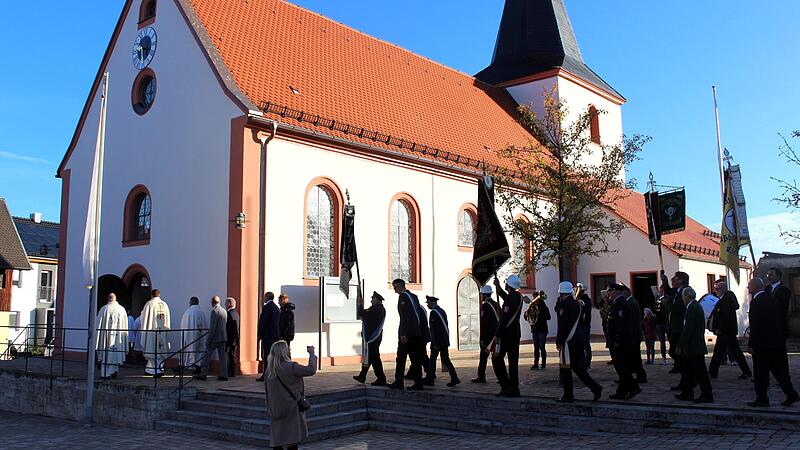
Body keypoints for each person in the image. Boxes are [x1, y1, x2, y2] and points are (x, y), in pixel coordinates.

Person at [748, 274, 800, 407]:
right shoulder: (770, 298)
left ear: (754, 287)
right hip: (775, 342)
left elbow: (756, 324)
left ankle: (762, 399)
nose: (748, 286)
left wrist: (751, 344)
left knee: (760, 373)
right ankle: (791, 394)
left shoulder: (756, 301)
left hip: (762, 344)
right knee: (780, 372)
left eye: (750, 284)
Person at [555, 281, 602, 403]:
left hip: (568, 341)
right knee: (578, 368)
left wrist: (559, 340)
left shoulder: (564, 305)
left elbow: (562, 325)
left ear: (561, 292)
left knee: (565, 368)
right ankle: (595, 388)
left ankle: (568, 395)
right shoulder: (578, 303)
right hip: (579, 339)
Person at [265, 342, 317, 450]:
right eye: (288, 349)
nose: (289, 351)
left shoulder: (269, 371)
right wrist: (312, 354)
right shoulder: (291, 367)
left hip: (276, 410)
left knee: (278, 442)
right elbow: (311, 369)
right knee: (292, 442)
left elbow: (267, 393)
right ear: (284, 352)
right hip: (291, 409)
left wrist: (270, 408)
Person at [675, 288, 713, 403]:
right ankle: (687, 392)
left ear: (687, 296)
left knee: (700, 372)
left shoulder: (692, 308)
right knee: (688, 371)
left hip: (694, 346)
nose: (682, 299)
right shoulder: (695, 307)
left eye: (683, 296)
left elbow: (688, 329)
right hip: (693, 346)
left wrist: (680, 344)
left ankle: (706, 394)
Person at [388, 279, 427, 391]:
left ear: (400, 286)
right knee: (416, 360)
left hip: (408, 334)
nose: (395, 290)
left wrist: (403, 334)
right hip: (416, 333)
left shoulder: (403, 297)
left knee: (401, 359)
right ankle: (418, 383)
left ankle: (399, 382)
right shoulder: (413, 296)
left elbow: (406, 316)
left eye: (395, 287)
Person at [707, 280, 751, 379]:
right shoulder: (724, 299)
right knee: (731, 352)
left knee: (721, 353)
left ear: (723, 289)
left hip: (725, 332)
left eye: (717, 289)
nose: (716, 290)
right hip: (727, 332)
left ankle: (712, 372)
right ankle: (713, 372)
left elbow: (725, 317)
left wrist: (719, 328)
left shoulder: (726, 300)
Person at [491, 275, 523, 397]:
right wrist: (498, 287)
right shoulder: (518, 296)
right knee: (513, 362)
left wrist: (497, 335)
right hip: (515, 333)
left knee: (497, 359)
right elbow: (506, 297)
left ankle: (506, 386)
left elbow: (504, 319)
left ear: (509, 285)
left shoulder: (511, 299)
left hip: (506, 334)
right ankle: (514, 387)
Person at [608, 283, 640, 400]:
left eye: (610, 291)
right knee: (621, 368)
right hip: (620, 341)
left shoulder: (621, 303)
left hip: (621, 342)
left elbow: (621, 325)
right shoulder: (617, 303)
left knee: (621, 368)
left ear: (616, 291)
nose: (609, 293)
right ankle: (621, 392)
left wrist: (617, 339)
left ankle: (633, 387)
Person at [424, 296, 460, 387]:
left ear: (432, 303)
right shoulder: (441, 311)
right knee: (445, 359)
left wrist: (435, 343)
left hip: (438, 341)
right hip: (444, 340)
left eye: (428, 303)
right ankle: (454, 377)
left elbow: (435, 330)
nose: (427, 305)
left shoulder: (434, 313)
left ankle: (430, 379)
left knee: (433, 360)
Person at [354, 292, 387, 386]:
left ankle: (381, 378)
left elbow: (362, 313)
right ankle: (362, 376)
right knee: (370, 357)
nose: (371, 300)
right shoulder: (378, 308)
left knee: (374, 358)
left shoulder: (376, 309)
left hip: (373, 337)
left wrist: (360, 304)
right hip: (373, 336)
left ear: (377, 300)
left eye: (373, 298)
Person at [96, 293, 129, 379]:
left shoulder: (104, 309)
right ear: (115, 298)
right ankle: (113, 371)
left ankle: (105, 374)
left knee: (106, 354)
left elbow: (98, 325)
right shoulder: (122, 309)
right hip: (118, 337)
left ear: (108, 299)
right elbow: (125, 325)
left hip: (106, 338)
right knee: (116, 353)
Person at [195, 296, 228, 381]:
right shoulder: (224, 311)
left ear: (212, 302)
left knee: (206, 356)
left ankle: (203, 374)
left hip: (215, 338)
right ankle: (224, 375)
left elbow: (212, 327)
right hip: (223, 337)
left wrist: (208, 339)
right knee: (223, 357)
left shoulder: (214, 311)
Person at [140, 289, 171, 377]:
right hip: (162, 332)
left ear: (151, 295)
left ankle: (157, 371)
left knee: (152, 350)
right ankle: (151, 370)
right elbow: (167, 320)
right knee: (159, 351)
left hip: (152, 332)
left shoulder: (149, 304)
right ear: (159, 295)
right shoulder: (165, 305)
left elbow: (144, 318)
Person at [473, 285, 500, 383]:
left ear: (484, 295)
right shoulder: (496, 304)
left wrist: (482, 339)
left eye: (481, 295)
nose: (481, 296)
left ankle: (481, 377)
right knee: (496, 358)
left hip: (488, 337)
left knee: (483, 358)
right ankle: (501, 377)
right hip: (496, 335)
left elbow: (484, 325)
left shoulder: (485, 306)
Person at [179, 296, 207, 375]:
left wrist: (184, 336)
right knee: (198, 352)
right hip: (200, 336)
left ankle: (185, 366)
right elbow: (204, 324)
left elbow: (184, 325)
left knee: (190, 350)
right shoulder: (202, 312)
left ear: (191, 302)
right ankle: (198, 368)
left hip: (190, 337)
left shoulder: (188, 312)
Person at [257, 292, 281, 382]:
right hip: (275, 335)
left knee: (266, 355)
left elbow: (263, 322)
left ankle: (266, 374)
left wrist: (259, 335)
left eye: (264, 297)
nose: (264, 298)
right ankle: (274, 374)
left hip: (267, 336)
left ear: (267, 297)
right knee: (273, 355)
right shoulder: (276, 308)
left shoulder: (267, 307)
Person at [624, 286, 647, 383]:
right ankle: (638, 375)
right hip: (634, 334)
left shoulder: (631, 302)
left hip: (633, 335)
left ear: (627, 293)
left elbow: (631, 321)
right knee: (635, 357)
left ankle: (641, 375)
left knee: (635, 357)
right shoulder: (631, 301)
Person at [523, 290, 550, 370]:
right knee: (536, 347)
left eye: (535, 298)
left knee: (542, 347)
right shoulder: (532, 307)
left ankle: (543, 364)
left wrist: (540, 312)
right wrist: (526, 313)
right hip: (534, 329)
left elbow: (548, 317)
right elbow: (527, 318)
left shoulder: (544, 307)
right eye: (534, 298)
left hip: (542, 329)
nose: (534, 299)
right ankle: (536, 363)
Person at [575, 283, 593, 370]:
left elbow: (586, 310)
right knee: (579, 345)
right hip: (578, 326)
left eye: (579, 290)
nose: (577, 291)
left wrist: (578, 301)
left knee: (586, 345)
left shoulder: (587, 300)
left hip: (584, 325)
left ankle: (587, 364)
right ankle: (580, 362)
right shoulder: (576, 299)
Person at [653, 287, 668, 365]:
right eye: (660, 291)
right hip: (659, 323)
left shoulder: (667, 299)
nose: (661, 292)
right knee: (662, 342)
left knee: (671, 340)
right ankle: (664, 358)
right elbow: (655, 310)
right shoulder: (658, 300)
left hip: (666, 322)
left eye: (662, 291)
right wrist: (657, 303)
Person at [225, 297, 240, 378]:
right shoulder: (236, 313)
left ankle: (229, 371)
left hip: (229, 339)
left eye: (225, 303)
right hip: (235, 339)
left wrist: (227, 340)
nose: (224, 305)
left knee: (228, 356)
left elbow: (228, 328)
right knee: (232, 356)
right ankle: (232, 372)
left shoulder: (228, 314)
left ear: (229, 304)